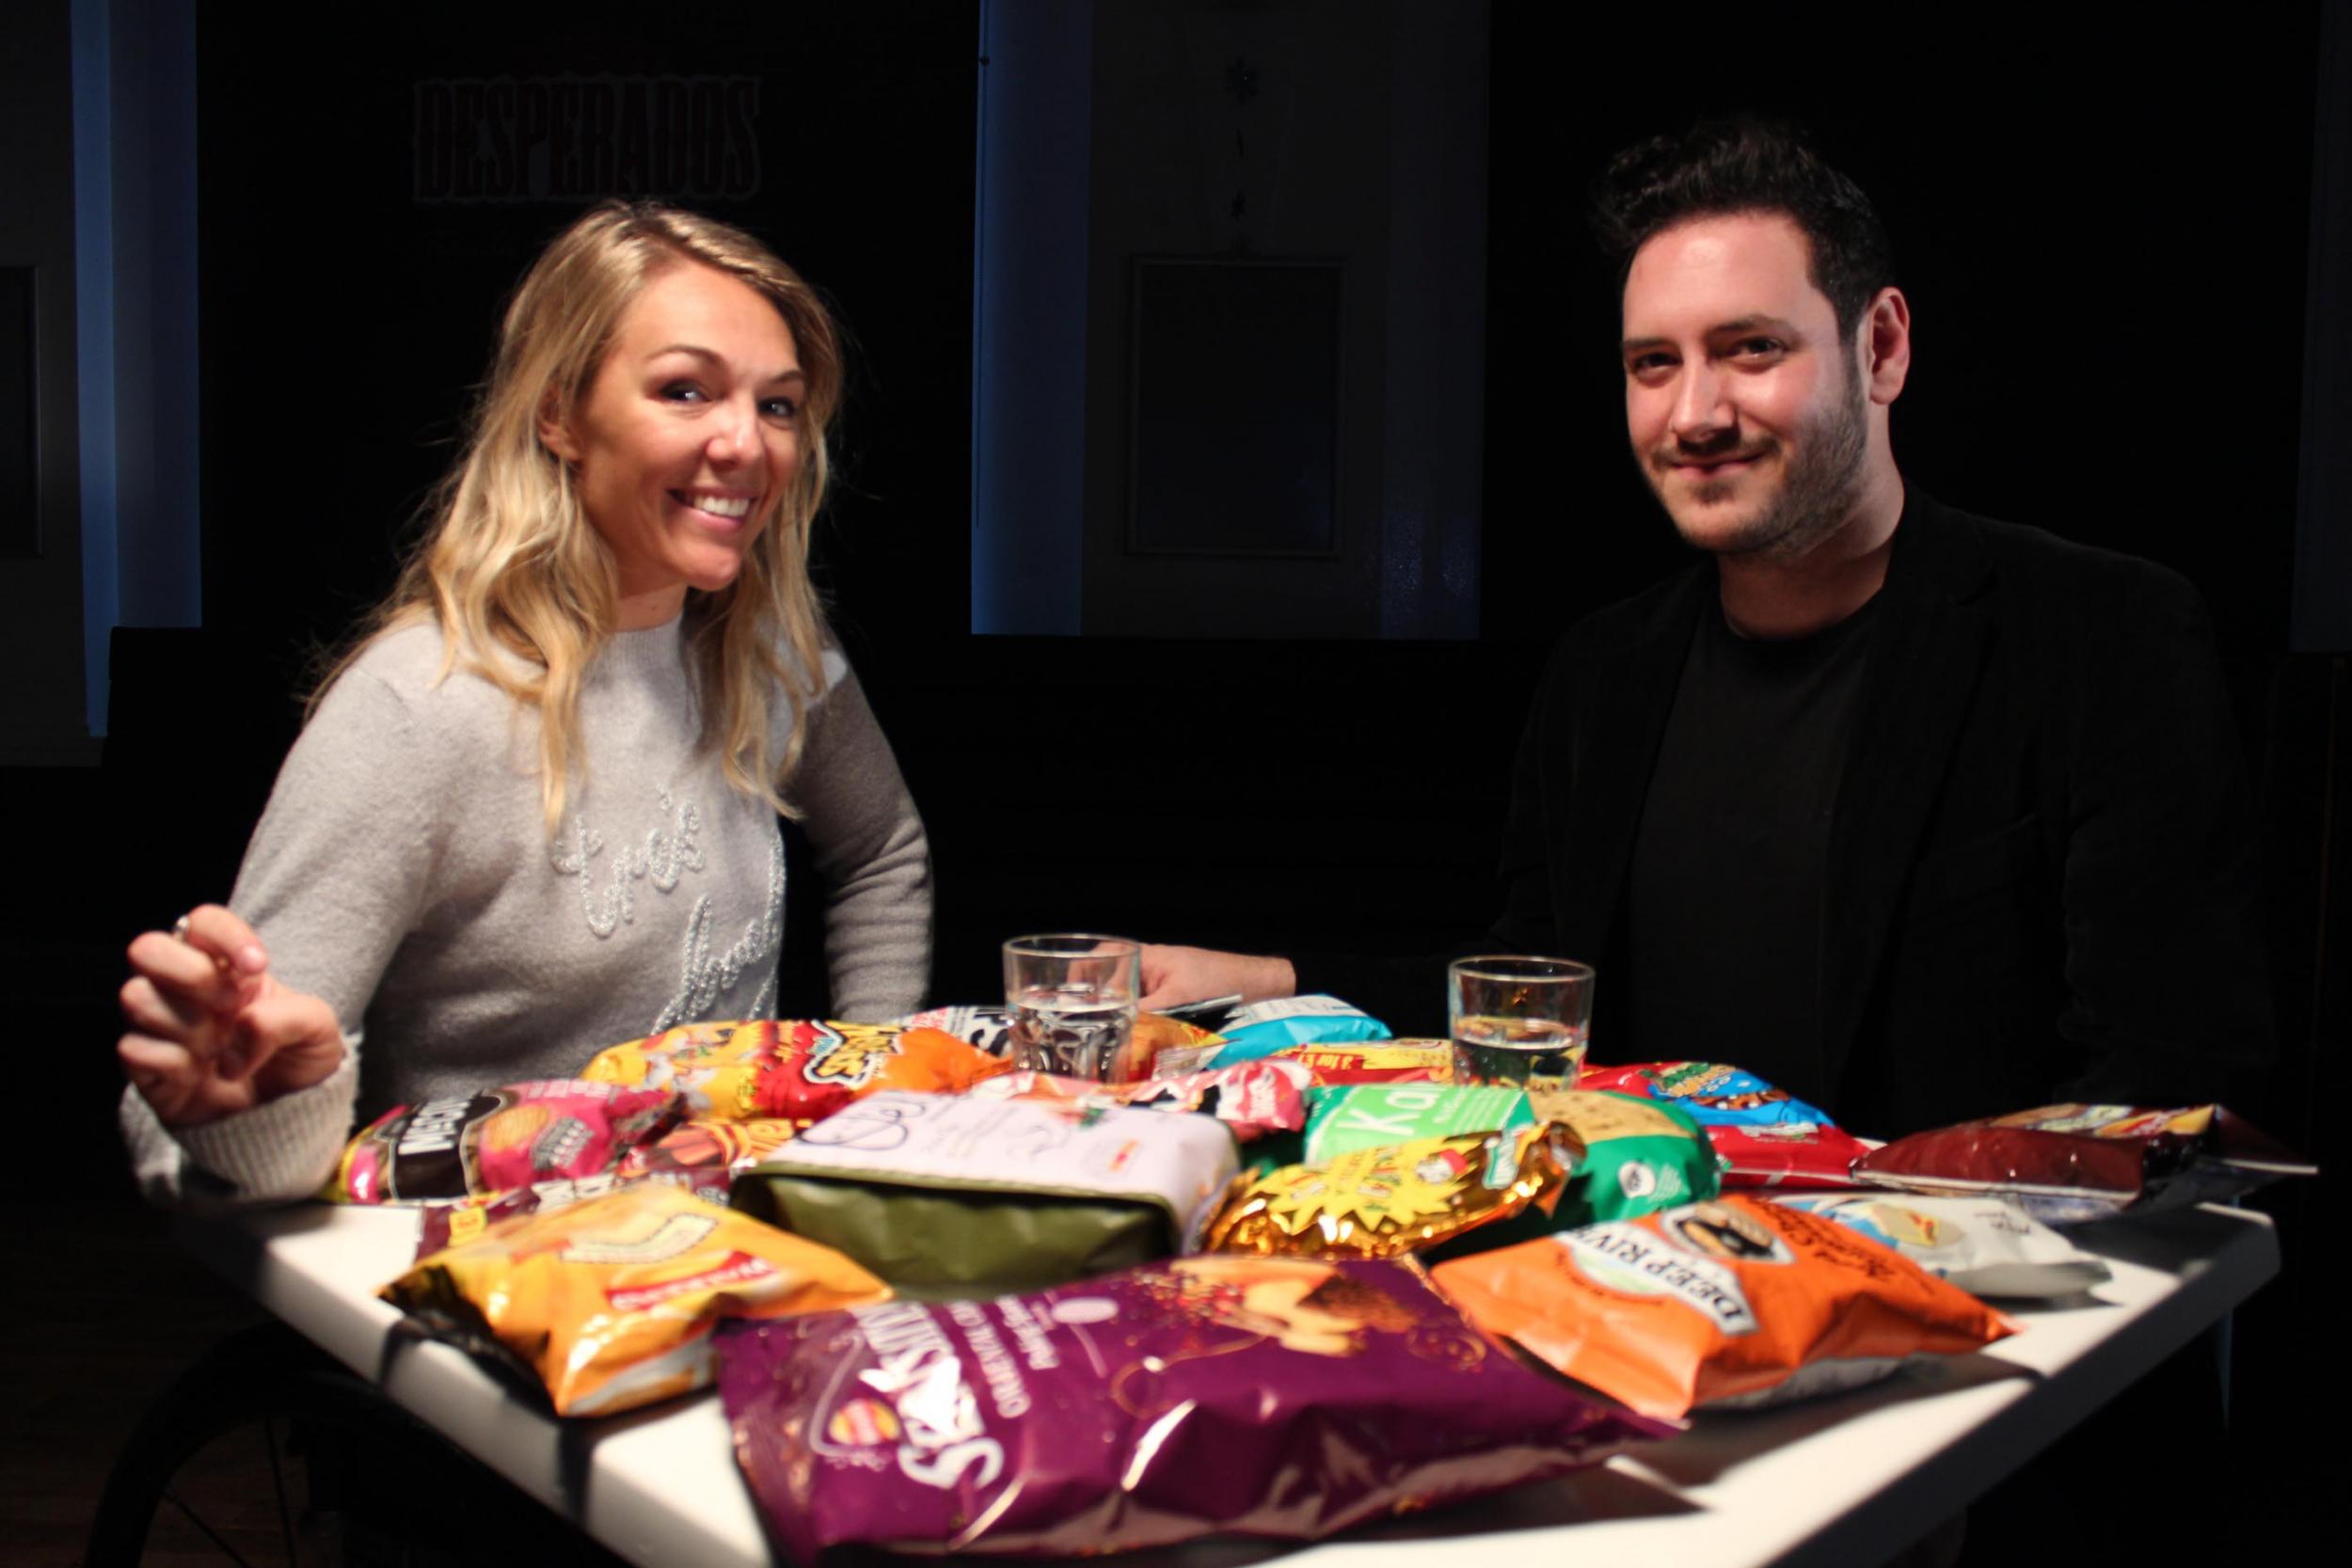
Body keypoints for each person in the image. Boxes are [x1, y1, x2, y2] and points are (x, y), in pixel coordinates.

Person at [1144, 119, 2270, 1138]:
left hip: (1983, 1317)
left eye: (1750, 349)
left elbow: (2168, 1076)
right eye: (1653, 364)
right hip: (1646, 1284)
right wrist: (1262, 976)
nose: (1694, 415)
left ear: (1880, 347)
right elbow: (1529, 997)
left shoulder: (2098, 631)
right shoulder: (1603, 672)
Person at [116, 202, 932, 1207]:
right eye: (686, 390)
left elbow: (882, 852)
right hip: (485, 1306)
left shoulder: (770, 659)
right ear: (559, 416)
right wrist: (252, 1118)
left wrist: (868, 1090)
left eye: (777, 405)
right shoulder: (420, 705)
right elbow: (212, 1126)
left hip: (725, 1268)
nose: (748, 444)